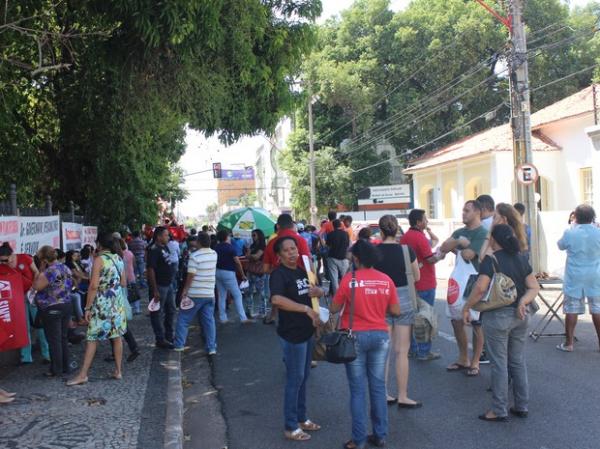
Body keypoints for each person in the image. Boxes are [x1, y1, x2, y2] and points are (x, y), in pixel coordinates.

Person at [462, 224, 539, 421]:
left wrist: (466, 307)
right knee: (517, 361)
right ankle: (522, 405)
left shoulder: (491, 259)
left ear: (495, 239)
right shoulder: (521, 258)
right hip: (521, 316)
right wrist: (522, 301)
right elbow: (534, 287)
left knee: (499, 364)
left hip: (498, 316)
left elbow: (480, 288)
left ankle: (498, 409)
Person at [330, 240, 400, 449]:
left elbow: (334, 307)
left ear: (357, 259)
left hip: (354, 338)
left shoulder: (349, 280)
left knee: (357, 390)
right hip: (380, 335)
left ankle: (358, 440)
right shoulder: (386, 280)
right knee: (378, 387)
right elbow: (396, 311)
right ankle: (380, 435)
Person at [270, 236, 323, 442]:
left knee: (303, 377)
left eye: (294, 249)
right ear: (279, 255)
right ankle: (290, 426)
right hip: (292, 335)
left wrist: (318, 291)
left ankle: (301, 418)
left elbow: (314, 292)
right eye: (287, 250)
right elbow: (276, 299)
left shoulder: (303, 272)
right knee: (295, 379)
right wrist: (305, 309)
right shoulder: (279, 275)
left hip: (307, 332)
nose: (292, 253)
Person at [67, 233, 128, 385]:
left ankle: (83, 374)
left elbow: (93, 286)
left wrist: (87, 308)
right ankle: (118, 371)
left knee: (92, 338)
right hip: (117, 303)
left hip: (102, 304)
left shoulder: (99, 260)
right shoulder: (118, 258)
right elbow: (124, 282)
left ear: (100, 245)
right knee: (116, 337)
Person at [374, 215, 422, 409]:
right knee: (402, 351)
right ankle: (403, 396)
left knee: (383, 351)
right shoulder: (406, 250)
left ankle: (383, 394)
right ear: (396, 230)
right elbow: (416, 277)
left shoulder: (374, 251)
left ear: (381, 231)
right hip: (403, 301)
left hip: (380, 301)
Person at [440, 200, 488, 376]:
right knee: (456, 320)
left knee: (475, 322)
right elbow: (444, 247)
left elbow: (468, 255)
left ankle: (475, 361)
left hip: (474, 281)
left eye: (467, 210)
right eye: (463, 210)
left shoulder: (483, 232)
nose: (463, 213)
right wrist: (459, 241)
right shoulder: (460, 231)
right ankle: (462, 358)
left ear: (477, 212)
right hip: (458, 280)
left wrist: (459, 244)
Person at [400, 209, 444, 361]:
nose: (427, 222)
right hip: (425, 282)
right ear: (418, 222)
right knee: (425, 319)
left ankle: (412, 349)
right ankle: (424, 351)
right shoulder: (419, 237)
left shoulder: (405, 237)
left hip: (411, 283)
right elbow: (430, 259)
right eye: (425, 219)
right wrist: (441, 255)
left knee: (412, 318)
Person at [556, 204, 600, 352]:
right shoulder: (598, 232)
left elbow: (560, 246)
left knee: (571, 308)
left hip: (574, 275)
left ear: (576, 217)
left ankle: (569, 343)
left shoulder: (570, 233)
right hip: (595, 274)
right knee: (597, 308)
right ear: (592, 217)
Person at [0, 243, 50, 364]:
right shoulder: (3, 266)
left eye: (5, 260)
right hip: (17, 299)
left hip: (32, 295)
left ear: (11, 255)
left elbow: (37, 273)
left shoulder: (25, 258)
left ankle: (47, 354)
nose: (3, 263)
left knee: (39, 325)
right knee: (23, 326)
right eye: (1, 261)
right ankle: (26, 356)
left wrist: (34, 288)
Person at [31, 246, 74, 378]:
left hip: (52, 307)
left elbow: (36, 286)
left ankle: (56, 369)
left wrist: (39, 270)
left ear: (43, 259)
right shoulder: (65, 267)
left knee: (54, 340)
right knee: (63, 337)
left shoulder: (48, 272)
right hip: (66, 304)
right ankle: (65, 366)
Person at [263, 214, 312, 324]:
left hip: (281, 286)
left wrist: (277, 271)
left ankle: (274, 318)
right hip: (302, 285)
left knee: (286, 318)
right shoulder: (300, 240)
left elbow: (265, 269)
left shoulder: (271, 243)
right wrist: (314, 281)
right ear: (292, 225)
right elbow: (308, 264)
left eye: (292, 249)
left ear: (278, 226)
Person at [175, 232, 218, 354]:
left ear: (198, 242)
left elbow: (191, 276)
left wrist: (185, 291)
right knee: (209, 321)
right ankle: (211, 348)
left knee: (183, 319)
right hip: (209, 294)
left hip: (195, 294)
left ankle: (179, 345)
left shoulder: (194, 256)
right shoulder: (214, 254)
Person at [147, 226, 177, 349]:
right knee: (156, 313)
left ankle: (169, 336)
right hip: (159, 285)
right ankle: (160, 339)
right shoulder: (153, 249)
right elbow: (150, 269)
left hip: (168, 284)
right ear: (159, 236)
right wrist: (154, 289)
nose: (168, 237)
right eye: (166, 235)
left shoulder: (164, 247)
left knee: (171, 310)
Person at [215, 230, 250, 324]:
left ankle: (223, 318)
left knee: (222, 295)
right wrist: (242, 275)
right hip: (229, 273)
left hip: (217, 272)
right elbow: (237, 262)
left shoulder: (216, 247)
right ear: (226, 237)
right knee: (237, 295)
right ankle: (243, 318)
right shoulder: (230, 248)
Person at [246, 229, 269, 318]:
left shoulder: (263, 246)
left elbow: (256, 257)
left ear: (259, 235)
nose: (253, 237)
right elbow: (249, 256)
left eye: (254, 235)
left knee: (261, 292)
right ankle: (249, 311)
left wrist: (250, 256)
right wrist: (250, 255)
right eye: (252, 235)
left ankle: (262, 312)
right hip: (251, 271)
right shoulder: (252, 245)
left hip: (259, 272)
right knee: (249, 292)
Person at [326, 219, 350, 295]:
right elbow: (348, 245)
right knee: (345, 278)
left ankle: (337, 296)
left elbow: (328, 245)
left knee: (334, 279)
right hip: (343, 258)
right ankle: (346, 294)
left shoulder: (330, 234)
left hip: (332, 258)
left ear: (333, 226)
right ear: (340, 225)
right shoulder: (346, 234)